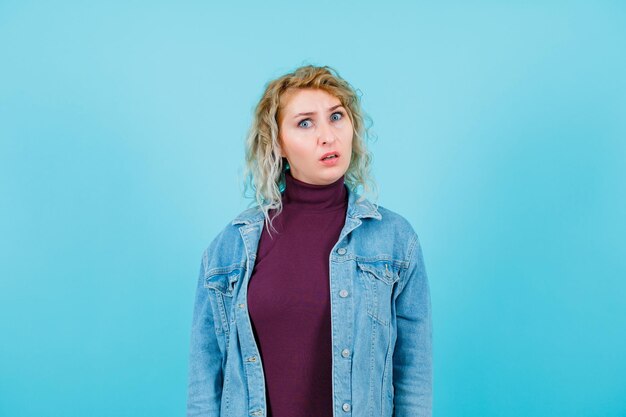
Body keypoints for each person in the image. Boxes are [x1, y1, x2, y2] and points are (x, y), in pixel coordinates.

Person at [186, 65, 432, 417]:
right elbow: (204, 383)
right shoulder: (229, 249)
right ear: (278, 144)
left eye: (336, 117)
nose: (327, 136)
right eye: (305, 123)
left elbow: (413, 376)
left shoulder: (394, 240)